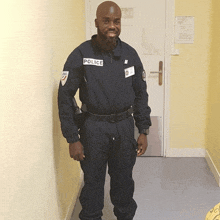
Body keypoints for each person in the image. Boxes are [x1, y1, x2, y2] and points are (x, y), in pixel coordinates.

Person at [58, 1, 151, 219]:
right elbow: (64, 96)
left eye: (116, 21)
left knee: (124, 183)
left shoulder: (130, 55)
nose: (112, 26)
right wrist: (72, 138)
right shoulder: (81, 54)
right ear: (97, 22)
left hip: (124, 127)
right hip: (93, 129)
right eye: (106, 21)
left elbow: (141, 94)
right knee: (92, 185)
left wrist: (143, 130)